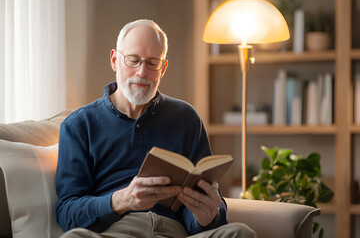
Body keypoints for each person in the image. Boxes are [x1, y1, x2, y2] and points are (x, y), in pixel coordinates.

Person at [55, 19, 256, 238]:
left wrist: (208, 217)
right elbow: (68, 213)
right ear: (114, 60)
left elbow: (204, 202)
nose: (142, 72)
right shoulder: (79, 125)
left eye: (152, 63)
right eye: (133, 60)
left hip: (175, 232)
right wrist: (122, 200)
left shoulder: (186, 118)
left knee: (240, 233)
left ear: (163, 69)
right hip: (117, 232)